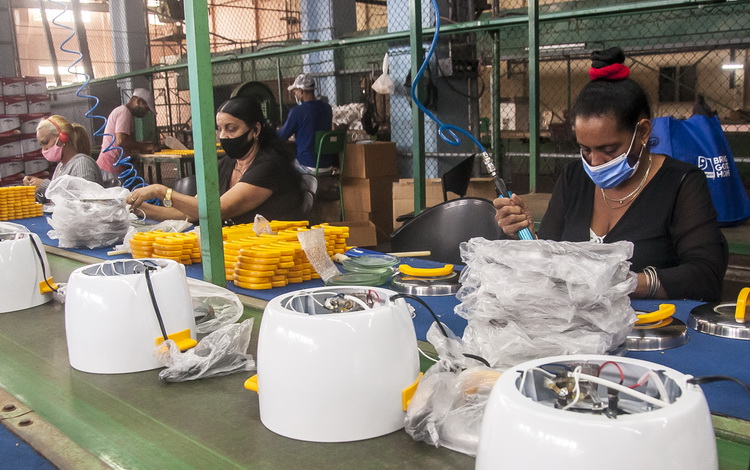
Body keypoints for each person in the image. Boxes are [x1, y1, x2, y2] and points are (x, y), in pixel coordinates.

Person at [494, 47, 727, 301]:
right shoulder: (574, 178)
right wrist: (527, 235)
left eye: (609, 149)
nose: (595, 162)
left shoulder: (681, 184)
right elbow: (552, 260)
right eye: (585, 149)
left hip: (645, 329)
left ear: (643, 132)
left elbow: (705, 276)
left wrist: (622, 282)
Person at [128, 96, 304, 225]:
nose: (223, 136)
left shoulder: (270, 165)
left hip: (272, 255)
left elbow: (215, 211)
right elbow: (192, 211)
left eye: (231, 129)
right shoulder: (229, 163)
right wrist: (135, 208)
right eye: (219, 129)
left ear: (255, 130)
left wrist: (160, 191)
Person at [23, 115, 103, 201]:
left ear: (63, 137)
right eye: (41, 145)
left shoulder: (82, 164)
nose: (44, 149)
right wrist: (36, 189)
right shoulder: (60, 167)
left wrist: (46, 186)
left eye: (45, 143)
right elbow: (55, 201)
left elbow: (84, 201)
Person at [277, 73, 334, 174]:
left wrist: (271, 132)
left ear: (301, 91)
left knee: (280, 167)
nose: (295, 95)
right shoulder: (327, 108)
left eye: (295, 92)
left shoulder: (297, 111)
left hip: (308, 166)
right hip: (328, 165)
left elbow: (282, 137)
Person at [96, 87, 159, 177]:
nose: (146, 113)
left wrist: (141, 147)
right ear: (139, 102)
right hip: (110, 166)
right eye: (146, 109)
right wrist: (145, 146)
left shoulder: (124, 112)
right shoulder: (124, 112)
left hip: (113, 165)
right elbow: (121, 141)